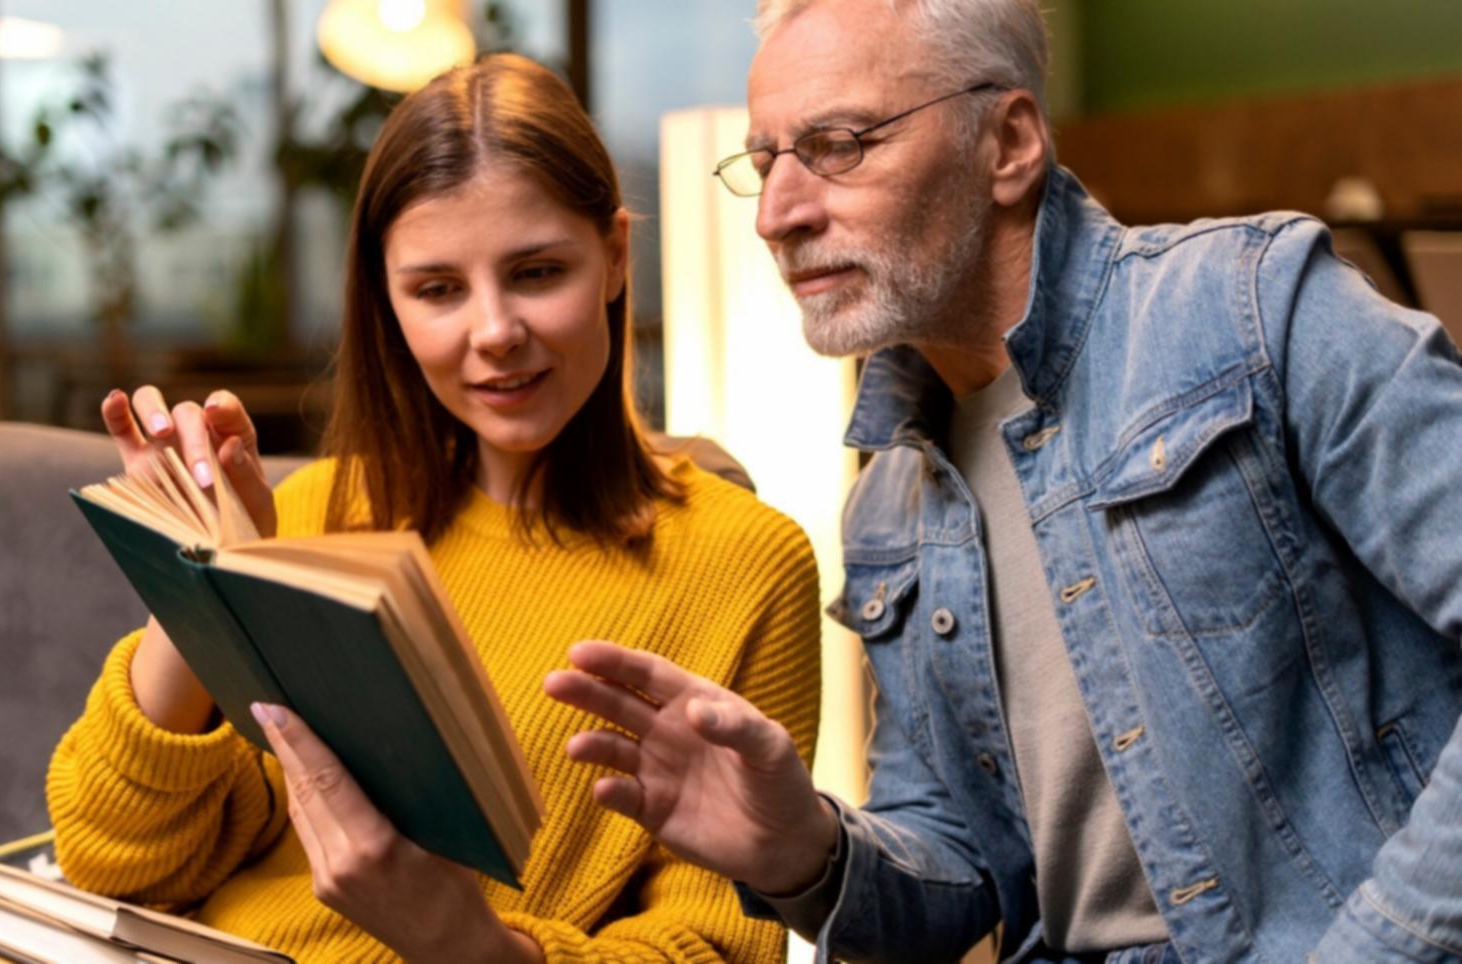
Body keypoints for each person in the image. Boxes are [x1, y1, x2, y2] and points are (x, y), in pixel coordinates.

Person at [542, 1, 1462, 962]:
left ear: (1009, 143)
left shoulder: (1255, 311)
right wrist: (801, 848)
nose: (779, 214)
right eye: (767, 161)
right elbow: (961, 878)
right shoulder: (889, 499)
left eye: (840, 145)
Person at [47, 53, 821, 964]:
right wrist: (198, 575)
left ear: (614, 257)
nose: (494, 332)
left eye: (536, 272)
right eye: (438, 289)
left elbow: (720, 948)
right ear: (387, 297)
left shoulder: (743, 563)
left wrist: (467, 943)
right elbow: (107, 862)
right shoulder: (315, 511)